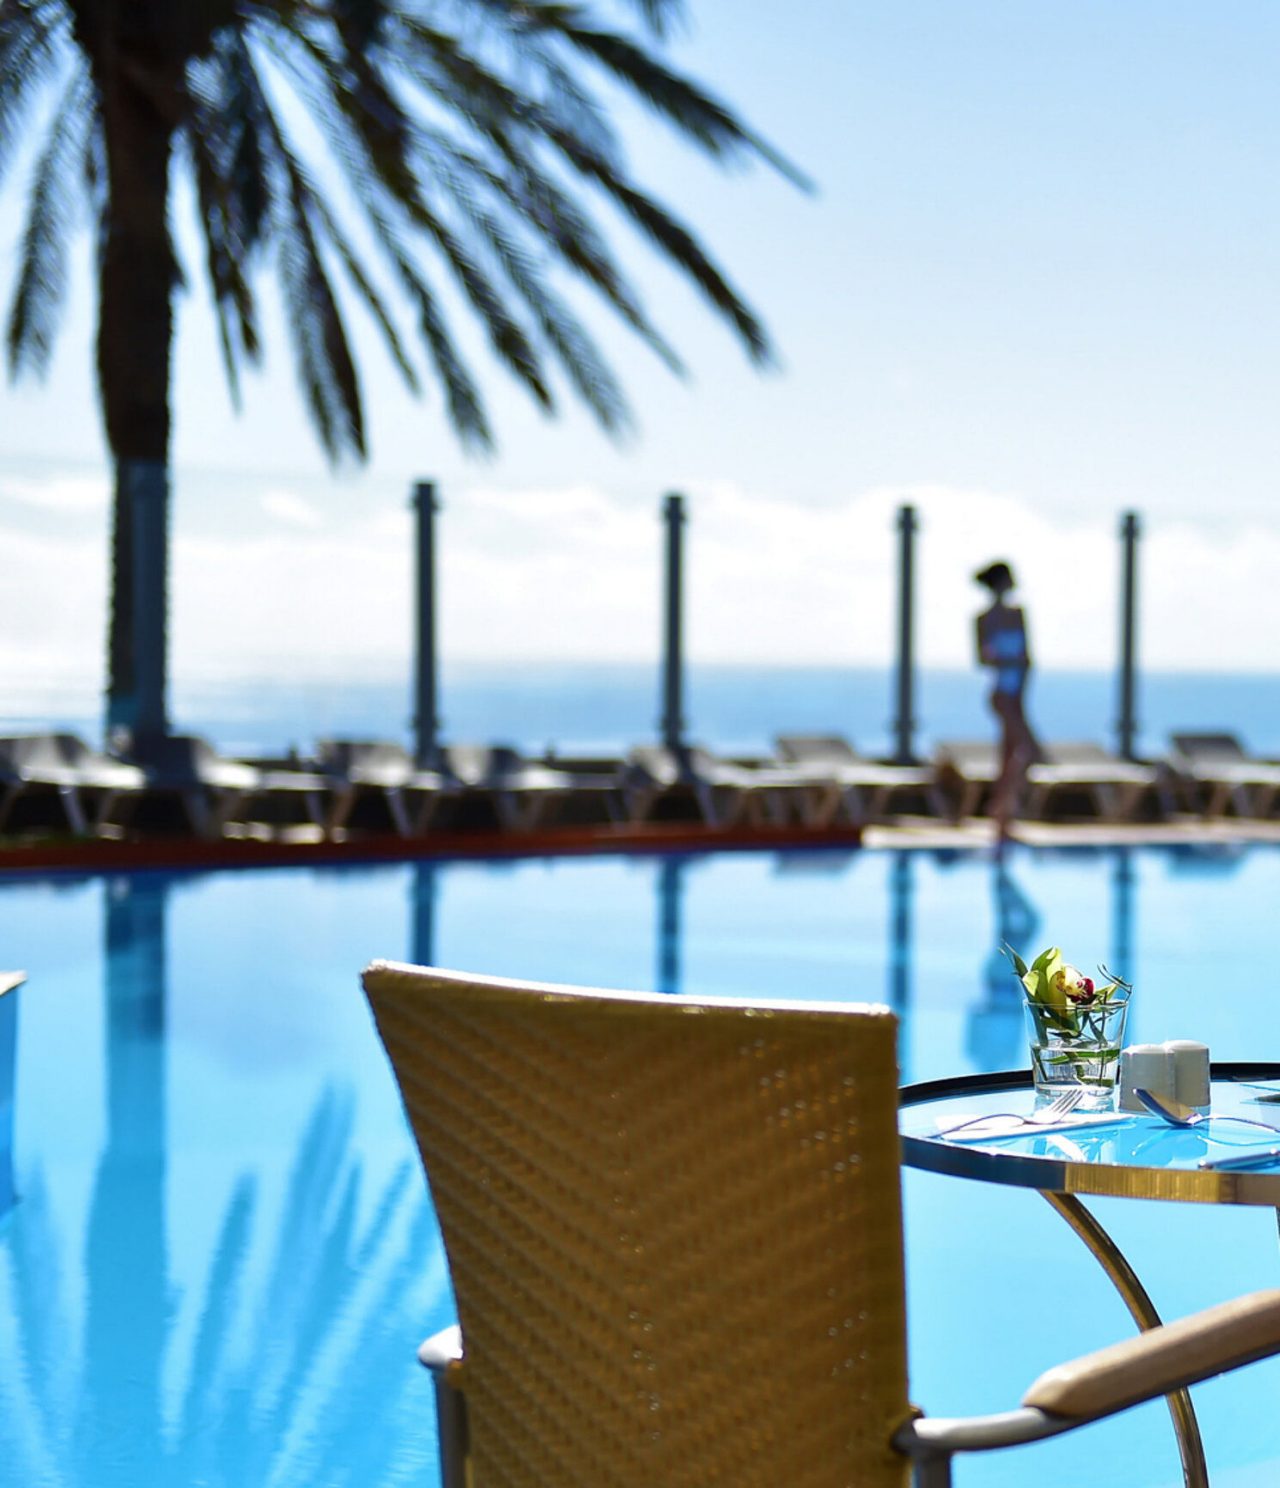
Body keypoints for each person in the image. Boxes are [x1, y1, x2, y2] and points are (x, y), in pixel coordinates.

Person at [973, 560, 1039, 837]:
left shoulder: (1019, 614)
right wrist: (1006, 661)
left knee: (1009, 757)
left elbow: (1028, 659)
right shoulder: (982, 619)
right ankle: (1002, 811)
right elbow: (982, 659)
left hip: (1017, 695)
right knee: (1029, 751)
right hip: (1000, 695)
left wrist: (1020, 696)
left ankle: (1002, 817)